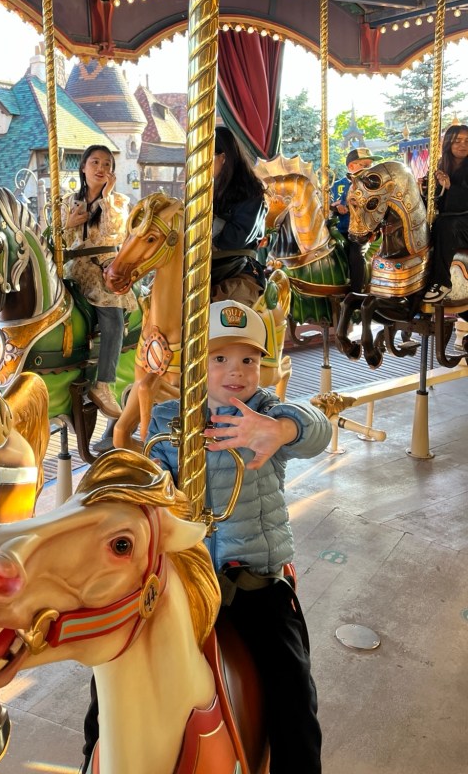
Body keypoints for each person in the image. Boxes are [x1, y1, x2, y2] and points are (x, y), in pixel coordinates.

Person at [146, 300, 330, 774]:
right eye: (220, 358)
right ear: (196, 363)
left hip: (253, 580)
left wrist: (280, 430)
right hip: (185, 582)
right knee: (113, 667)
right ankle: (94, 753)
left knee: (292, 689)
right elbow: (150, 483)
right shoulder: (168, 418)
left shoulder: (267, 412)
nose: (236, 371)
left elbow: (318, 429)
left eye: (248, 359)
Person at [62, 144, 136, 419]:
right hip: (72, 269)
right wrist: (68, 225)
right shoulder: (67, 202)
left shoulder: (117, 202)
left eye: (107, 164)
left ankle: (104, 384)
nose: (101, 168)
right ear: (83, 167)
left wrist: (106, 198)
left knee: (113, 318)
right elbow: (55, 240)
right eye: (95, 162)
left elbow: (114, 233)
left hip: (101, 268)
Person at [212, 127, 267, 306]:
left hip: (238, 268)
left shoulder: (251, 193)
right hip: (206, 267)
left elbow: (236, 238)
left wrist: (206, 219)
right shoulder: (207, 191)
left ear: (223, 157)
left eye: (207, 158)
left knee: (221, 307)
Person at [423, 124, 468, 302]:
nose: (463, 145)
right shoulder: (440, 166)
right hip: (450, 220)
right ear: (448, 143)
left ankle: (442, 282)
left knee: (445, 225)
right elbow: (434, 201)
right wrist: (426, 187)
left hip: (462, 222)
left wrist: (450, 187)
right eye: (458, 141)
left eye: (467, 141)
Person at [330, 146, 376, 293]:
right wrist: (334, 207)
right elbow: (329, 204)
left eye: (370, 165)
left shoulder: (372, 186)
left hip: (360, 231)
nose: (369, 169)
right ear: (351, 166)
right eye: (365, 165)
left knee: (356, 255)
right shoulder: (337, 185)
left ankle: (356, 293)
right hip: (340, 229)